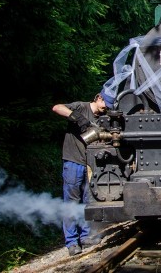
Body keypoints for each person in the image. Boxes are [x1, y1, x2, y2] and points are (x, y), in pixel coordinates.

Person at [52, 93, 107, 256]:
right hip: (73, 160)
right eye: (105, 103)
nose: (106, 107)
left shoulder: (103, 116)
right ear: (98, 98)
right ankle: (71, 242)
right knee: (71, 202)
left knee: (87, 201)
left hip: (90, 164)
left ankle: (85, 236)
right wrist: (77, 117)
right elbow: (57, 107)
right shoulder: (81, 107)